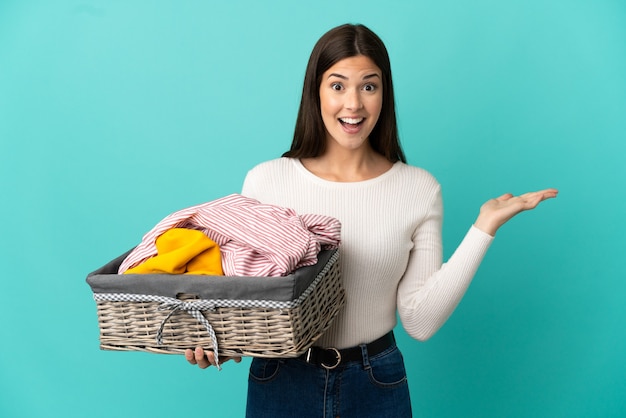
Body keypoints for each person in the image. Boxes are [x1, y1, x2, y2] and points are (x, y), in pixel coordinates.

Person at [185, 23, 558, 417]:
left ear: (384, 94)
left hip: (375, 381)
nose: (353, 105)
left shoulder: (419, 189)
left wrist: (484, 228)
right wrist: (216, 342)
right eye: (338, 85)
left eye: (369, 86)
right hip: (282, 379)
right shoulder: (266, 181)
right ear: (316, 91)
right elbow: (249, 298)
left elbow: (420, 320)